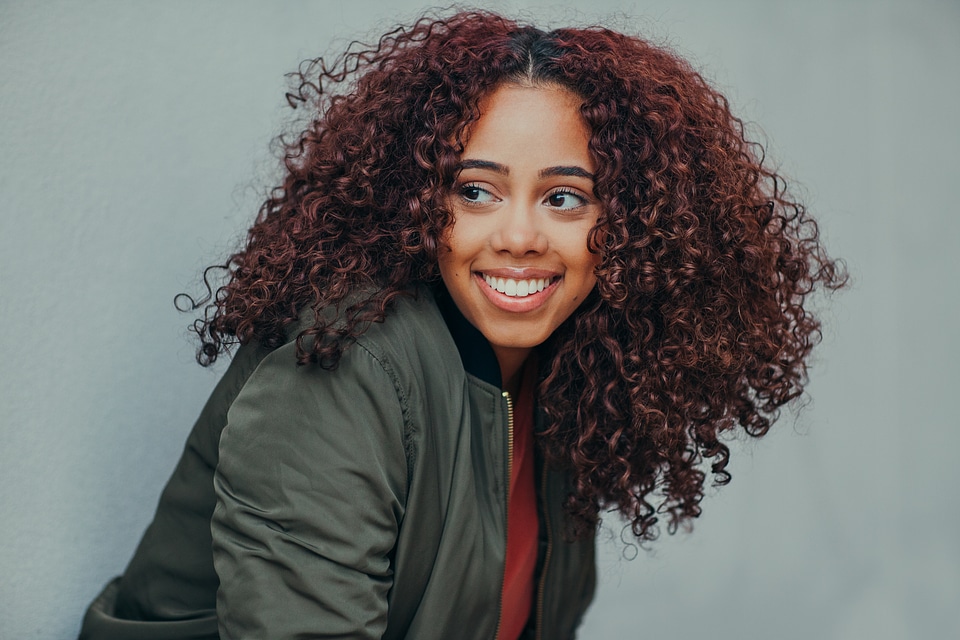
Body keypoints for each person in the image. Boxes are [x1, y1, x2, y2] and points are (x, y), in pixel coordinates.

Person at [78, 9, 845, 640]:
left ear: (639, 226)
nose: (517, 236)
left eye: (565, 199)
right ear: (418, 203)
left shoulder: (576, 375)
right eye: (475, 191)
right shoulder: (345, 365)